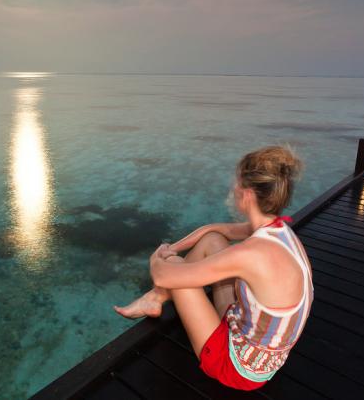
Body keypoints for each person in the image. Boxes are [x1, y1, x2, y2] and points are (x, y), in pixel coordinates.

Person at [113, 145, 313, 391]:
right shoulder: (280, 231)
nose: (233, 188)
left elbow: (162, 274)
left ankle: (155, 298)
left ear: (248, 195)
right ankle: (154, 298)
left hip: (238, 369)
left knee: (174, 269)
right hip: (255, 342)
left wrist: (158, 257)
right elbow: (215, 230)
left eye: (237, 184)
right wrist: (172, 247)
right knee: (213, 242)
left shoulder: (251, 254)